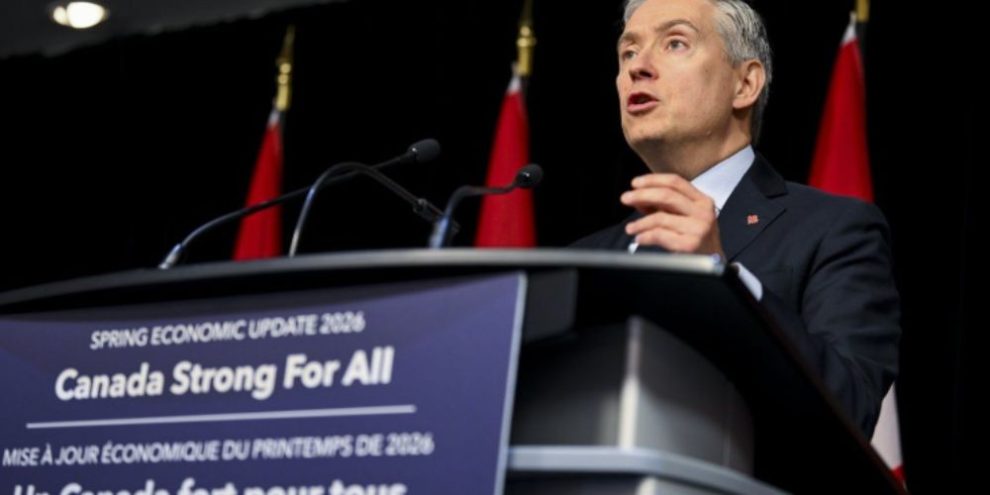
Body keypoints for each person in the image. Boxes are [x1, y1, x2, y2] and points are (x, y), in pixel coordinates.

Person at [573, 0, 900, 436]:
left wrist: (724, 280)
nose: (638, 67)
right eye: (628, 52)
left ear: (744, 84)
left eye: (675, 43)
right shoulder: (583, 258)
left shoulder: (836, 231)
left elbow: (850, 406)